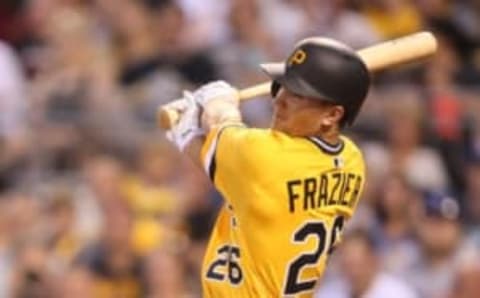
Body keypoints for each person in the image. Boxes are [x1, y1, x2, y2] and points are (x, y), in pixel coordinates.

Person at [164, 37, 370, 297]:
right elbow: (236, 169)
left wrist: (217, 96)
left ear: (332, 115)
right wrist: (189, 135)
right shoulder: (353, 161)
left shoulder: (266, 157)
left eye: (297, 95)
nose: (279, 100)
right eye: (282, 87)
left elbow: (219, 119)